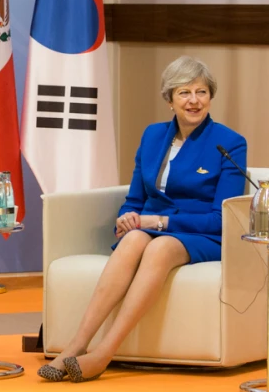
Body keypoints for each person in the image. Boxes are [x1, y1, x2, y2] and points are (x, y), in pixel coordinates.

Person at [38, 56, 247, 382]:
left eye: (202, 92)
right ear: (169, 100)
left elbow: (223, 218)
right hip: (150, 229)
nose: (194, 100)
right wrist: (127, 219)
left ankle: (104, 353)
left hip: (204, 235)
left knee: (160, 247)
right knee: (135, 238)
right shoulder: (152, 137)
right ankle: (75, 346)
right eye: (184, 92)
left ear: (210, 97)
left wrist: (160, 223)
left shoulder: (229, 142)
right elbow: (135, 199)